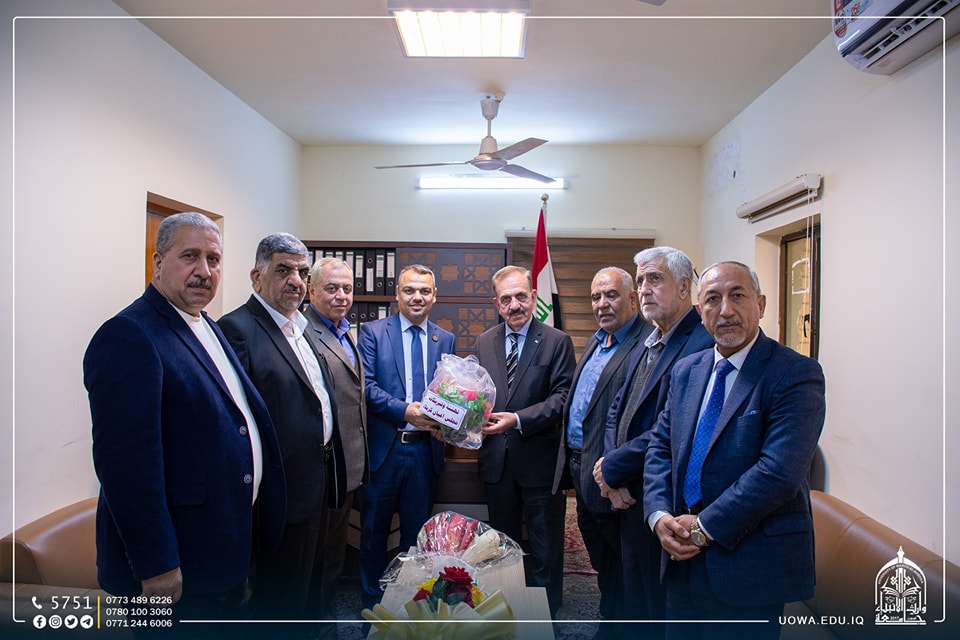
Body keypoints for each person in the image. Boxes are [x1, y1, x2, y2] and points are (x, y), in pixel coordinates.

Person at [84, 212, 285, 639]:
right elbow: (125, 467)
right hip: (176, 569)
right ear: (158, 263)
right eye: (190, 256)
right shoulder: (130, 335)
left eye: (214, 259)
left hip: (222, 552)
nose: (204, 271)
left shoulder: (204, 324)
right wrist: (156, 564)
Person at [643, 261, 826, 640]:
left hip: (749, 567)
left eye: (737, 296)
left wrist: (703, 528)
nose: (725, 310)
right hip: (680, 559)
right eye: (713, 299)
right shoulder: (687, 370)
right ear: (700, 312)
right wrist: (659, 516)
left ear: (761, 304)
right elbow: (661, 447)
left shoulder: (795, 373)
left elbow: (779, 472)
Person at [217, 233, 346, 635]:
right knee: (281, 601)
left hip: (319, 483)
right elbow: (235, 422)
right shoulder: (237, 329)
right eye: (283, 270)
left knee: (310, 589)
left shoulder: (300, 327)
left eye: (303, 272)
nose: (296, 281)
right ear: (257, 277)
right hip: (280, 492)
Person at [592, 246, 713, 636]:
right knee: (635, 598)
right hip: (628, 493)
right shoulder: (651, 337)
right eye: (641, 280)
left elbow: (674, 428)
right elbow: (617, 408)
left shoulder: (701, 343)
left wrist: (612, 468)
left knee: (657, 608)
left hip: (662, 497)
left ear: (684, 287)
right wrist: (610, 472)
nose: (643, 289)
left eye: (654, 279)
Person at [552, 266, 650, 634]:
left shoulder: (645, 343)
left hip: (615, 480)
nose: (602, 304)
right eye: (596, 297)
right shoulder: (598, 339)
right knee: (603, 561)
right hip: (582, 473)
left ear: (633, 299)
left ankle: (620, 628)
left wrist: (618, 474)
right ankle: (610, 616)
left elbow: (642, 420)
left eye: (611, 295)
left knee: (625, 567)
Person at [474, 265, 575, 615]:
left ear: (533, 297)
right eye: (506, 299)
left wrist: (517, 420)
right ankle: (506, 610)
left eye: (520, 296)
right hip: (497, 463)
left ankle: (546, 615)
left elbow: (563, 398)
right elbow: (478, 395)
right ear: (496, 304)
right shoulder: (484, 341)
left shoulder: (557, 341)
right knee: (502, 547)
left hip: (539, 464)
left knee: (546, 548)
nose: (514, 305)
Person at [357, 264, 455, 607]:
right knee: (373, 532)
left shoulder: (445, 339)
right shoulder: (372, 332)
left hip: (425, 452)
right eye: (409, 290)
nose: (417, 297)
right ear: (397, 294)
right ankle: (372, 603)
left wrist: (450, 422)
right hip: (385, 451)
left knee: (416, 537)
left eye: (425, 291)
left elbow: (448, 392)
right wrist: (405, 411)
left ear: (434, 296)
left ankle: (407, 604)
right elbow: (366, 387)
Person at [304, 256, 370, 624]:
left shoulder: (345, 330)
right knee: (316, 559)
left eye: (347, 288)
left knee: (332, 554)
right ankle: (317, 624)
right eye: (331, 288)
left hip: (347, 468)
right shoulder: (304, 333)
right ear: (311, 290)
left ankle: (325, 618)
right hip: (322, 469)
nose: (341, 295)